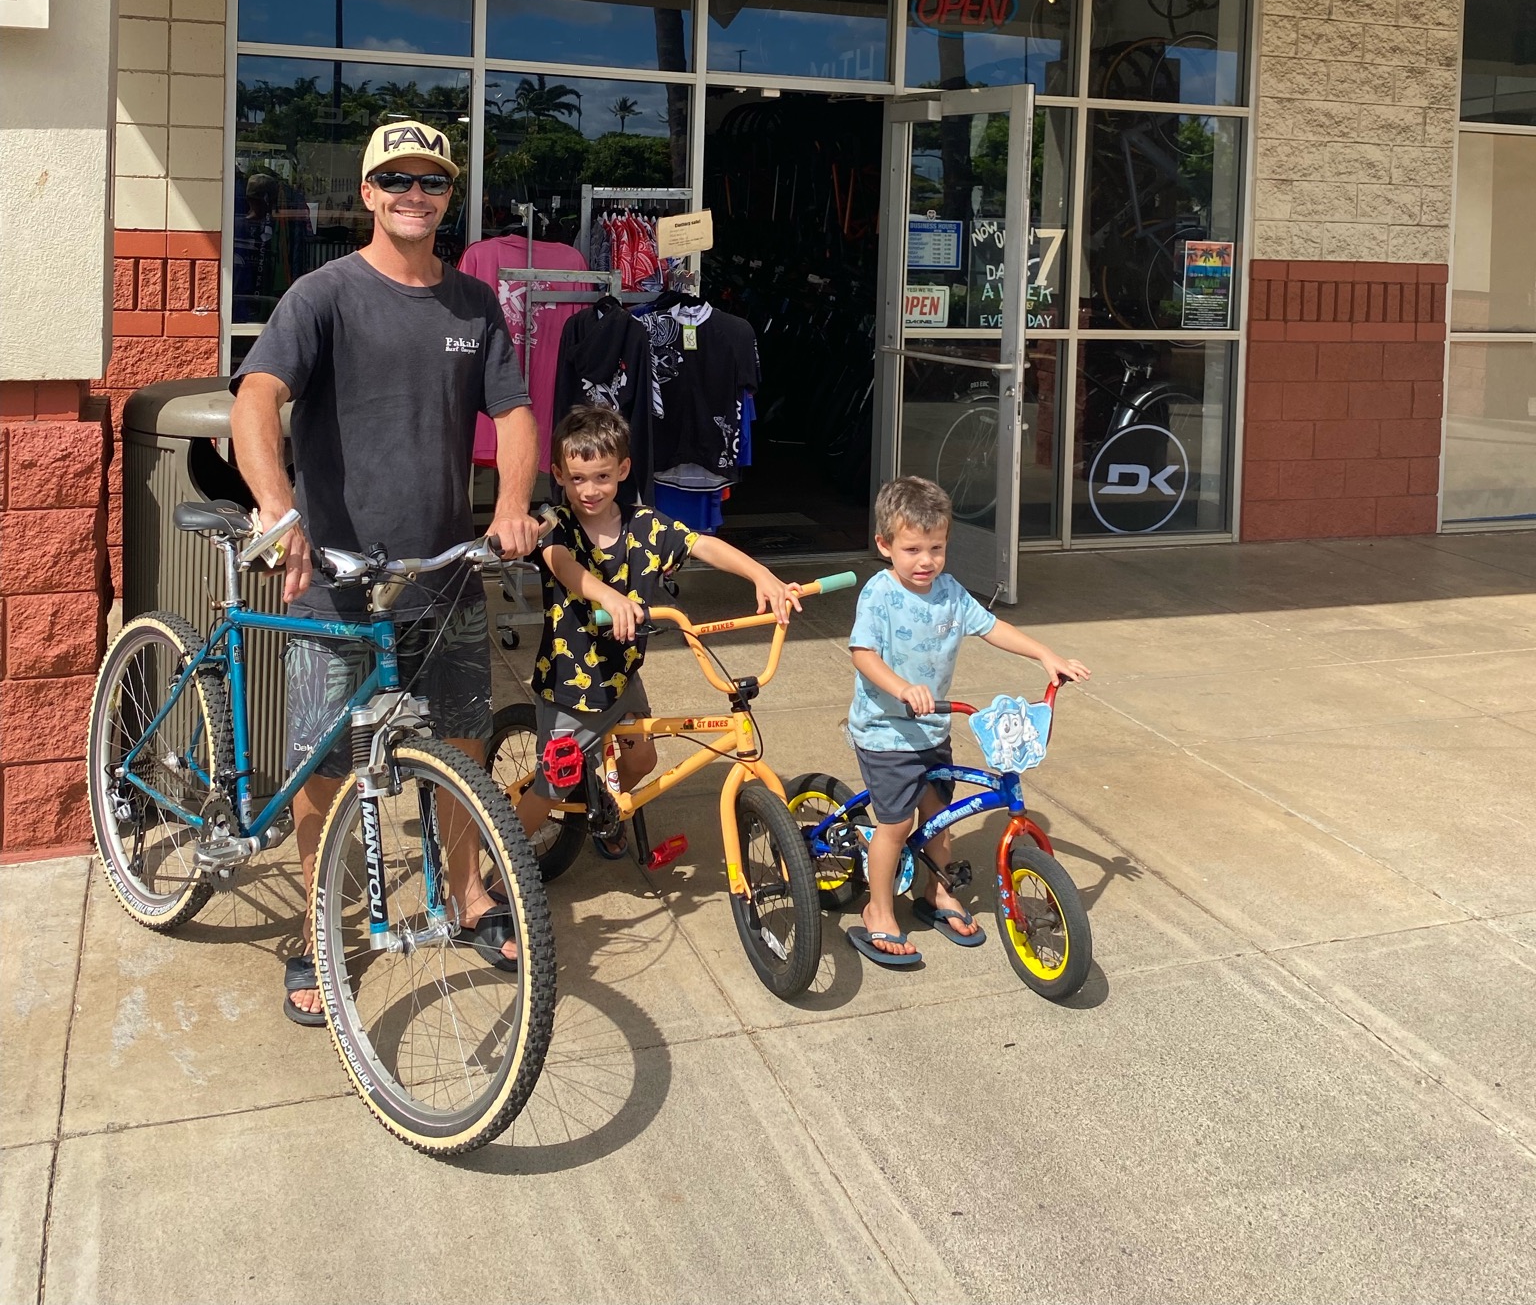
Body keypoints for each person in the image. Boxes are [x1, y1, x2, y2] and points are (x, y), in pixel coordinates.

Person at [230, 118, 542, 1022]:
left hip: (444, 567)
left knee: (465, 739)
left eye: (432, 180)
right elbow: (258, 399)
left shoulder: (476, 305)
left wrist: (511, 504)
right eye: (397, 179)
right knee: (325, 762)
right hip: (337, 578)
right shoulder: (323, 294)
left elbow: (514, 414)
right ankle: (322, 924)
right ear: (367, 193)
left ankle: (468, 893)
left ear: (449, 197)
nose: (416, 192)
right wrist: (279, 509)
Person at [516, 404, 799, 846]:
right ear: (557, 474)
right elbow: (561, 564)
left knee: (642, 758)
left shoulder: (644, 525)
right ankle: (498, 870)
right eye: (577, 478)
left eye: (602, 477)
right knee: (553, 786)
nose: (589, 490)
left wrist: (762, 575)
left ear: (623, 470)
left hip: (622, 675)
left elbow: (700, 543)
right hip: (571, 688)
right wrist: (608, 595)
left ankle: (609, 808)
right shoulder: (557, 524)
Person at [845, 475, 1090, 969]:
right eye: (912, 548)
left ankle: (935, 892)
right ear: (884, 546)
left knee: (938, 817)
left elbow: (991, 626)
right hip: (886, 731)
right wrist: (900, 688)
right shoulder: (880, 594)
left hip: (934, 728)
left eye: (937, 547)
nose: (926, 560)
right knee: (895, 825)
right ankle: (878, 908)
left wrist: (1045, 654)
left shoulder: (950, 593)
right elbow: (863, 654)